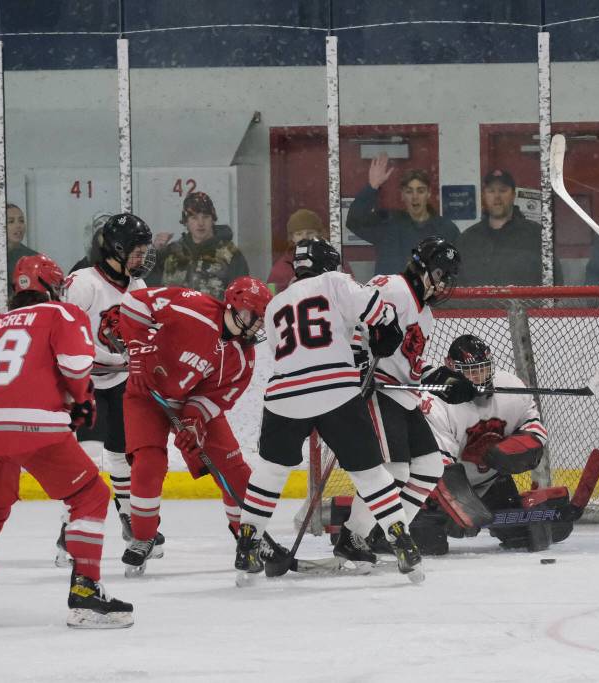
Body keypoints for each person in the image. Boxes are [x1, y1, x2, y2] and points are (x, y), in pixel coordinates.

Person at [0, 254, 133, 629]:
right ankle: (86, 592)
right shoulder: (61, 314)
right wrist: (79, 400)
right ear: (52, 287)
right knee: (90, 496)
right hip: (36, 426)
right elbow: (75, 366)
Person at [235, 237, 424, 582]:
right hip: (336, 391)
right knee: (369, 474)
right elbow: (379, 310)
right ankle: (403, 542)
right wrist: (385, 331)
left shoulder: (276, 302)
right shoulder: (334, 282)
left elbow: (291, 351)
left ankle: (247, 544)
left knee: (270, 472)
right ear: (329, 264)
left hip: (284, 394)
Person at [106, 275, 271, 576]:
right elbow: (134, 303)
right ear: (234, 306)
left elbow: (214, 398)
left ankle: (248, 536)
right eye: (253, 315)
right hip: (146, 393)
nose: (258, 324)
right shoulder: (192, 305)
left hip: (187, 404)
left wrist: (194, 421)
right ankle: (143, 538)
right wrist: (141, 354)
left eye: (260, 319)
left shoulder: (243, 358)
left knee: (234, 468)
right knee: (148, 463)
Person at [339, 236, 478, 560]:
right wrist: (359, 361)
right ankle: (352, 537)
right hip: (377, 388)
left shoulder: (425, 315)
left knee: (430, 466)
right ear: (425, 270)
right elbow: (353, 320)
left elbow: (410, 365)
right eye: (442, 275)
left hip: (402, 394)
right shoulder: (392, 287)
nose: (444, 284)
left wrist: (447, 379)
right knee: (395, 471)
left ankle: (387, 535)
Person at [57, 213, 158, 564]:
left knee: (122, 450)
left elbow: (144, 334)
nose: (142, 258)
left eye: (145, 251)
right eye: (137, 251)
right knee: (87, 451)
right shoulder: (83, 283)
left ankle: (129, 516)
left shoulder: (137, 286)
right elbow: (63, 332)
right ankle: (70, 526)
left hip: (120, 379)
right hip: (83, 379)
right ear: (115, 250)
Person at [414, 334, 559, 554]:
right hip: (434, 491)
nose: (478, 378)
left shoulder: (511, 385)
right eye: (470, 371)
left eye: (483, 369)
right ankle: (380, 532)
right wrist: (464, 508)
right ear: (450, 367)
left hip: (491, 481)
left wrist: (516, 449)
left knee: (525, 538)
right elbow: (440, 468)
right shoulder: (435, 402)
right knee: (429, 546)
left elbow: (534, 428)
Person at [345, 156, 459, 278]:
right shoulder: (387, 224)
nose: (415, 197)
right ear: (402, 195)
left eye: (420, 191)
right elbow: (354, 221)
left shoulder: (446, 229)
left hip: (429, 295)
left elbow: (457, 269)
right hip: (390, 295)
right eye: (409, 191)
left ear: (429, 193)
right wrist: (372, 187)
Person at [458, 170, 557, 286]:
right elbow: (456, 286)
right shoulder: (467, 240)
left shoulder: (536, 235)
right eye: (491, 191)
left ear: (513, 195)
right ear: (483, 196)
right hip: (479, 305)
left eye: (503, 190)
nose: (497, 196)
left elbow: (555, 280)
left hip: (529, 304)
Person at [151, 191, 250, 299]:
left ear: (213, 219)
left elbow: (241, 297)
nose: (200, 223)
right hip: (174, 315)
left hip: (212, 315)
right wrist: (155, 254)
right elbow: (146, 289)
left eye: (206, 217)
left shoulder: (231, 255)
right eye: (194, 218)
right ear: (186, 222)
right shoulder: (171, 252)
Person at [266, 208, 352, 292]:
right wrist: (288, 291)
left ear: (319, 233)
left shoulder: (333, 259)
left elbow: (350, 292)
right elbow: (270, 301)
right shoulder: (281, 268)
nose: (305, 237)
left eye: (310, 232)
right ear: (292, 237)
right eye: (299, 234)